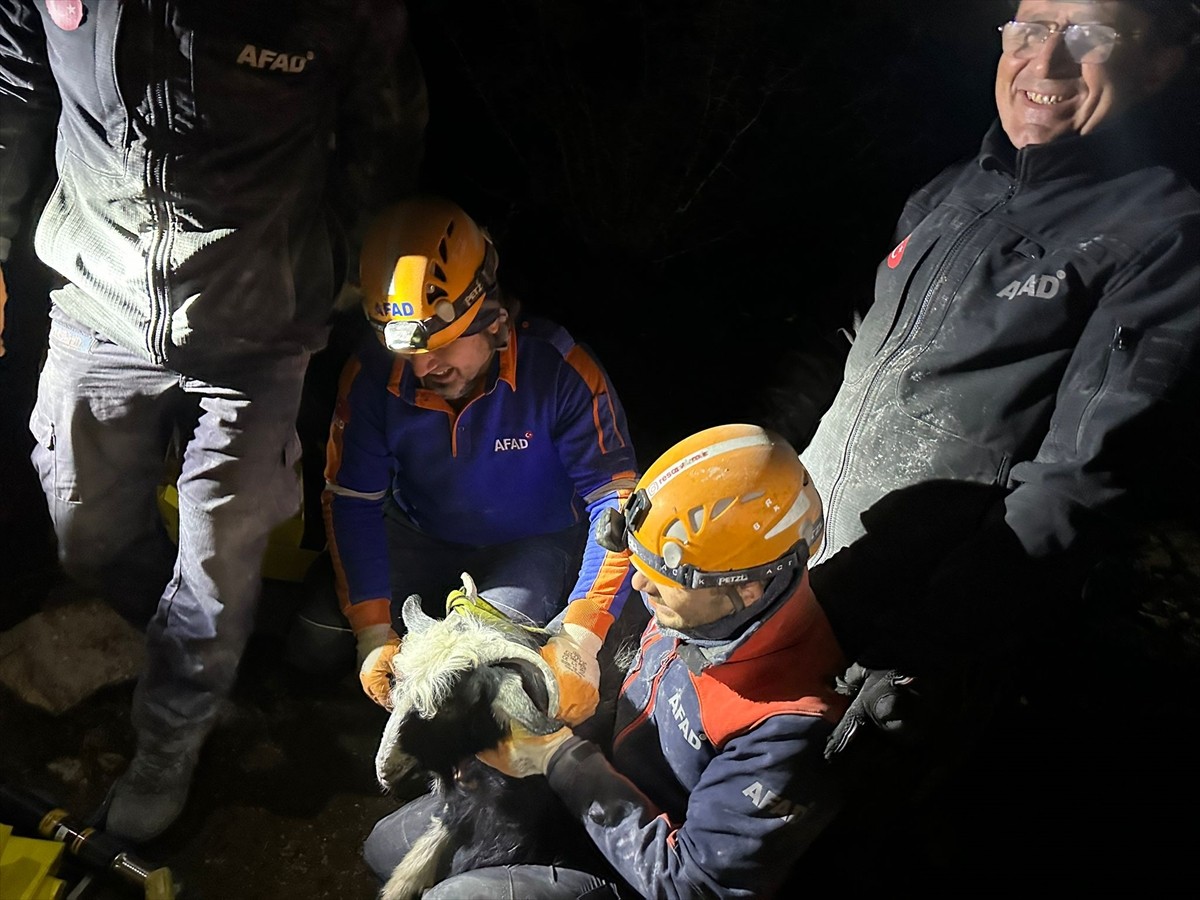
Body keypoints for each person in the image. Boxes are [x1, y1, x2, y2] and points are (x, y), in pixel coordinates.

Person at [0, 0, 428, 843]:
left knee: (220, 561)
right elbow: (12, 85)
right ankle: (191, 645)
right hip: (97, 296)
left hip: (260, 327)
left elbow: (388, 126)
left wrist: (335, 269)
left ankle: (172, 738)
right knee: (84, 533)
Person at [362, 423, 849, 900]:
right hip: (594, 785)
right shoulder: (703, 604)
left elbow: (694, 885)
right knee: (383, 849)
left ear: (748, 587)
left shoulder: (786, 731)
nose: (640, 585)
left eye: (663, 578)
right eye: (641, 562)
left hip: (642, 868)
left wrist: (559, 758)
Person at [321, 194, 639, 723]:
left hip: (532, 543)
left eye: (441, 344)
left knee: (482, 667)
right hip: (420, 532)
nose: (423, 368)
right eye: (408, 352)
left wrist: (583, 634)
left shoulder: (559, 371)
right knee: (318, 641)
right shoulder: (372, 377)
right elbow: (352, 501)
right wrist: (372, 632)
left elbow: (617, 503)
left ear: (493, 319)